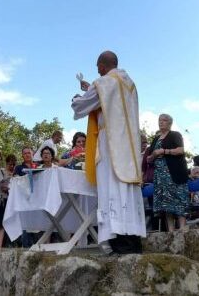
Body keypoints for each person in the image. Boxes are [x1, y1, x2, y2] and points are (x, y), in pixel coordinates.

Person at [71, 51, 146, 254]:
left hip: (110, 142)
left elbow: (82, 105)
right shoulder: (130, 84)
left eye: (98, 67)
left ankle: (118, 241)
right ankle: (133, 240)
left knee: (111, 186)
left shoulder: (104, 82)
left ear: (103, 65)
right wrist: (93, 91)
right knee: (126, 190)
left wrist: (78, 97)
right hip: (128, 143)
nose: (97, 71)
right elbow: (106, 103)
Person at [145, 114, 190, 232]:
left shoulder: (175, 135)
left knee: (179, 199)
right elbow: (152, 155)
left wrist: (164, 151)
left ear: (170, 123)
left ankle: (183, 229)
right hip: (160, 176)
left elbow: (180, 150)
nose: (161, 122)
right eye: (159, 120)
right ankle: (170, 232)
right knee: (166, 204)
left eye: (164, 120)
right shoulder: (156, 138)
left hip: (174, 173)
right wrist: (151, 157)